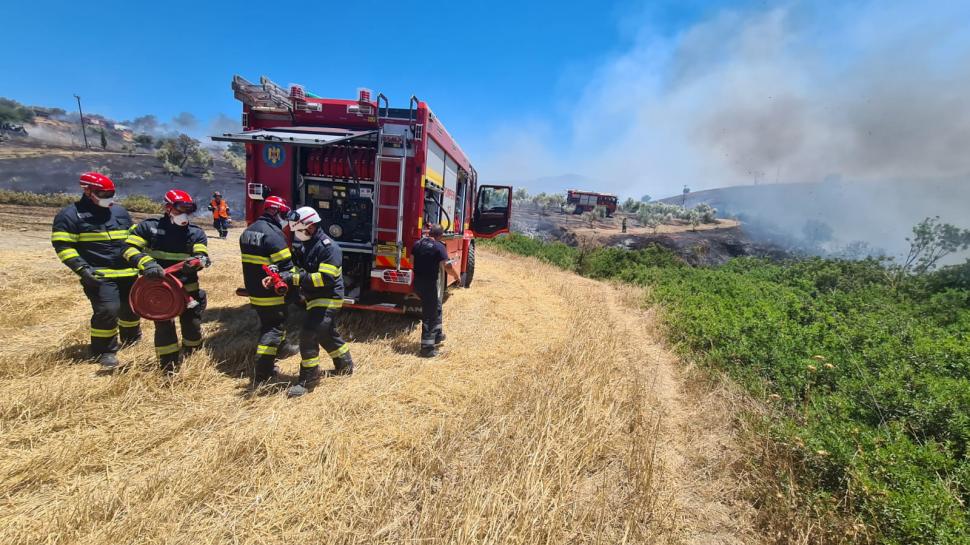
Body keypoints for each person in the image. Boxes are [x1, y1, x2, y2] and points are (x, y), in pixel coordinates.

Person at [51, 172, 141, 368]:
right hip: (99, 275)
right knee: (107, 311)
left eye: (111, 193)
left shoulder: (119, 212)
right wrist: (82, 269)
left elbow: (134, 239)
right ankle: (104, 351)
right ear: (87, 190)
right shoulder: (69, 215)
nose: (108, 197)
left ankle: (132, 338)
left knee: (131, 308)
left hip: (128, 273)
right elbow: (63, 246)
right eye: (103, 193)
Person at [267, 206, 353, 397]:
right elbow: (299, 269)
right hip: (315, 297)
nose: (297, 235)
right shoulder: (308, 245)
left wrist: (294, 278)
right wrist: (281, 274)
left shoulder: (328, 248)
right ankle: (345, 365)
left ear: (311, 226)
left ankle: (308, 380)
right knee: (325, 333)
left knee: (309, 334)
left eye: (298, 230)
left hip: (329, 297)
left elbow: (325, 280)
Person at [124, 189, 210, 372]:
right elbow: (129, 249)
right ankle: (168, 366)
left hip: (188, 290)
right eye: (180, 210)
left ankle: (193, 356)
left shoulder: (195, 233)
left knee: (192, 325)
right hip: (159, 289)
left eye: (188, 211)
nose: (184, 215)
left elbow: (202, 255)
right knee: (164, 327)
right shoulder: (149, 228)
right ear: (168, 208)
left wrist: (196, 263)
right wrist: (148, 265)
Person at [240, 195, 295, 385]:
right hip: (271, 292)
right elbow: (287, 267)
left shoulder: (248, 231)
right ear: (277, 211)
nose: (285, 217)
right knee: (273, 327)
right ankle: (263, 371)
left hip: (254, 289)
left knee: (271, 321)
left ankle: (283, 348)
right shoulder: (273, 235)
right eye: (285, 213)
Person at [411, 224, 461, 357]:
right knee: (430, 315)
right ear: (440, 235)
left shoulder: (417, 244)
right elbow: (447, 266)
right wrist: (456, 276)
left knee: (437, 306)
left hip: (417, 283)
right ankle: (427, 348)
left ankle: (437, 335)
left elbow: (411, 261)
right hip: (429, 285)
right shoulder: (439, 247)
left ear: (429, 233)